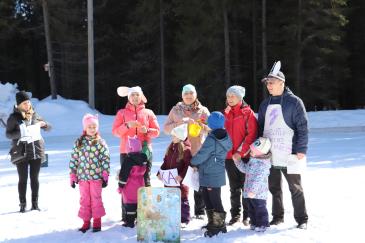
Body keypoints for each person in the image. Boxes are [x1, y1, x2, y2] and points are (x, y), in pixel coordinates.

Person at [258, 61, 308, 229]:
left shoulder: (294, 102)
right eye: (267, 83)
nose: (268, 86)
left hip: (290, 153)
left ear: (282, 82)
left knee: (295, 187)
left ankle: (302, 219)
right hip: (270, 153)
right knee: (274, 188)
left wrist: (301, 149)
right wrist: (259, 148)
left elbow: (302, 127)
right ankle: (277, 217)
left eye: (271, 82)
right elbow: (260, 128)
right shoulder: (265, 104)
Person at [112, 86, 160, 221]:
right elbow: (115, 132)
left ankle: (145, 213)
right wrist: (127, 126)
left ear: (141, 97)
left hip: (145, 153)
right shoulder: (121, 113)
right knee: (125, 181)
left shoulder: (148, 112)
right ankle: (126, 214)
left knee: (145, 180)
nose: (135, 97)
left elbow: (156, 132)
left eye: (137, 95)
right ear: (129, 97)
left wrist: (147, 130)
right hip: (126, 153)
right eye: (132, 95)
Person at [164, 84, 210, 219]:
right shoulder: (175, 110)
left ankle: (200, 211)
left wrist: (201, 126)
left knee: (197, 181)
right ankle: (182, 210)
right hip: (180, 152)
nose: (188, 96)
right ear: (182, 96)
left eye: (191, 93)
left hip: (197, 150)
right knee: (181, 181)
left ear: (195, 95)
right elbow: (166, 129)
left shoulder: (203, 110)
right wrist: (180, 123)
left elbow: (211, 128)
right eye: (186, 94)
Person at [6, 91, 51, 212]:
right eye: (25, 103)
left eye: (28, 102)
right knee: (23, 179)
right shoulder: (13, 117)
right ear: (19, 104)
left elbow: (49, 127)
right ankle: (22, 204)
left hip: (36, 151)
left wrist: (45, 124)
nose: (27, 105)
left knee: (34, 178)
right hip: (21, 152)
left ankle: (35, 204)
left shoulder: (35, 115)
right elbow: (8, 134)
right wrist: (21, 132)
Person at [191, 112, 232, 237]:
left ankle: (219, 225)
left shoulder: (212, 139)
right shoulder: (223, 136)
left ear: (211, 123)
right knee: (208, 198)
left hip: (210, 172)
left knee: (214, 199)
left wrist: (193, 162)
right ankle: (212, 222)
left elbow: (203, 154)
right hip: (212, 172)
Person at [69, 114, 110, 233]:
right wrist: (73, 175)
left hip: (96, 178)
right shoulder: (79, 142)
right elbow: (74, 159)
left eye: (94, 127)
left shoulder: (100, 142)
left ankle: (97, 222)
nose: (92, 129)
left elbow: (105, 159)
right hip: (82, 178)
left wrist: (105, 174)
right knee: (84, 199)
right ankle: (86, 222)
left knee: (96, 199)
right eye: (90, 127)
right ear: (85, 128)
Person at [223, 85, 258, 225]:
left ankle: (247, 215)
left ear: (240, 97)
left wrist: (240, 152)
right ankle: (235, 215)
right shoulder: (224, 113)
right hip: (228, 157)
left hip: (244, 157)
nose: (230, 99)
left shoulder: (248, 113)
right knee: (233, 187)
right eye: (228, 96)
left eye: (233, 96)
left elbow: (251, 135)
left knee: (245, 186)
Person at [234, 137, 272, 232]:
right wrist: (238, 161)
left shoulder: (263, 165)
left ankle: (263, 224)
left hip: (258, 193)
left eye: (253, 151)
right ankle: (254, 223)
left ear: (261, 153)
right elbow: (245, 170)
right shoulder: (253, 161)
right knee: (251, 209)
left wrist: (253, 191)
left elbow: (258, 179)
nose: (251, 151)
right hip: (249, 192)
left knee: (260, 209)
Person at [157, 124, 192, 226]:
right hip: (169, 180)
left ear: (180, 137)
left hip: (180, 181)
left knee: (182, 200)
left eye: (174, 136)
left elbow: (188, 165)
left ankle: (184, 220)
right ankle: (172, 217)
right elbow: (165, 162)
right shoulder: (171, 148)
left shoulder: (186, 150)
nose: (172, 138)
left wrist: (181, 176)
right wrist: (160, 172)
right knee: (170, 199)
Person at [118, 136, 148, 228]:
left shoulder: (128, 160)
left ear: (129, 148)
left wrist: (120, 186)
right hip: (140, 183)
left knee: (130, 203)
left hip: (130, 185)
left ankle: (130, 222)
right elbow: (147, 170)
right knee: (140, 202)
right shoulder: (144, 158)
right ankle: (140, 220)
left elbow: (124, 174)